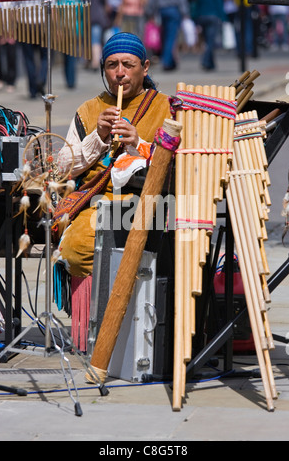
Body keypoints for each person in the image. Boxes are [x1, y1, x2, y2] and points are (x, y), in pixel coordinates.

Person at [54, 32, 172, 351]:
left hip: (148, 204)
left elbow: (177, 163)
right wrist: (97, 137)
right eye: (111, 65)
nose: (119, 72)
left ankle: (130, 325)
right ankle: (100, 331)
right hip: (98, 202)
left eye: (128, 65)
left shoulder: (165, 108)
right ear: (104, 69)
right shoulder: (89, 109)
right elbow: (62, 167)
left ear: (144, 67)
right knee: (76, 248)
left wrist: (137, 144)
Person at [146, 0, 190, 71]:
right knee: (171, 37)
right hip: (174, 9)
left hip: (162, 10)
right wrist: (185, 11)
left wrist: (151, 11)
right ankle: (166, 61)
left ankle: (171, 61)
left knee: (165, 36)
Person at [192, 0, 225, 70]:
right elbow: (219, 5)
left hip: (202, 17)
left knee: (207, 41)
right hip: (213, 17)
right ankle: (205, 61)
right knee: (210, 42)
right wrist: (223, 18)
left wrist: (195, 19)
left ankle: (211, 63)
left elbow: (196, 5)